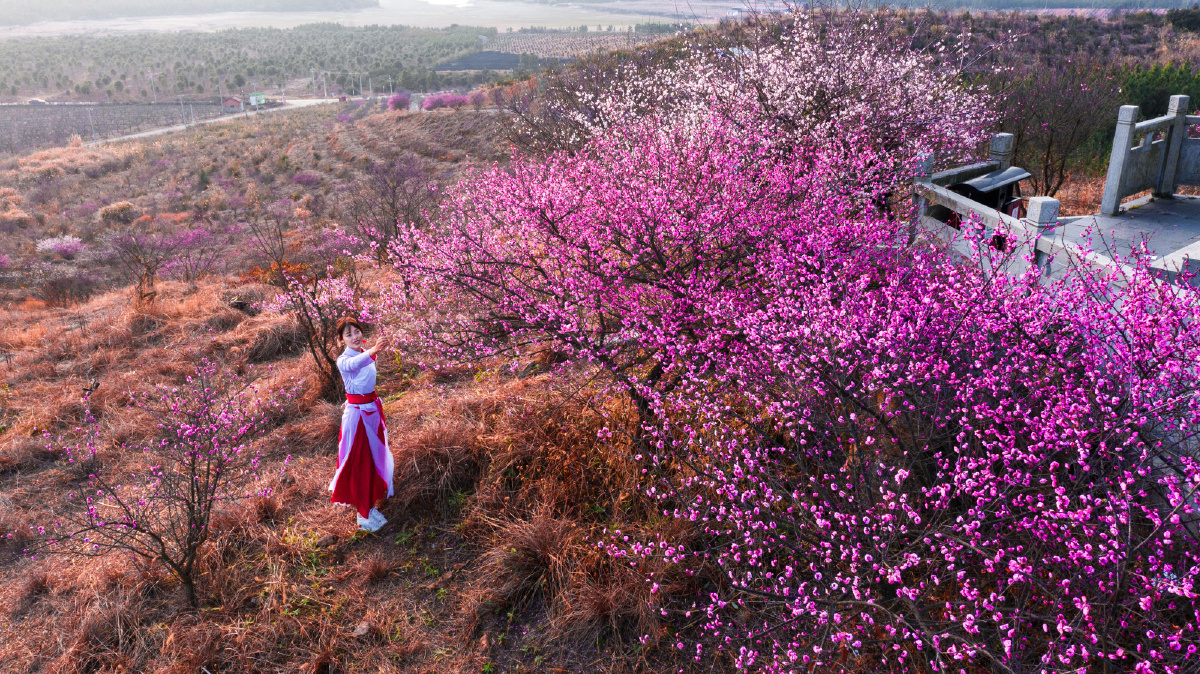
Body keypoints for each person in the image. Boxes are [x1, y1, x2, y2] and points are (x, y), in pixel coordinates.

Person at [329, 316, 394, 532]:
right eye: (348, 335)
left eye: (356, 331)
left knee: (374, 459)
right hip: (358, 419)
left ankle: (370, 505)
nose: (355, 337)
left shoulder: (364, 352)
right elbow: (354, 365)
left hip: (371, 412)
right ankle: (363, 513)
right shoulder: (344, 360)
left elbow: (361, 380)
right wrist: (374, 350)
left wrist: (372, 351)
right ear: (341, 340)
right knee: (360, 462)